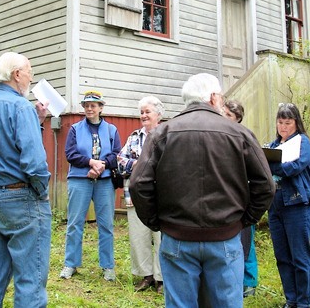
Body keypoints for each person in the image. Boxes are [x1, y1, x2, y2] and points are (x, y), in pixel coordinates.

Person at [130, 73, 275, 308]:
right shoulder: (239, 134)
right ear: (213, 97)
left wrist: (157, 221)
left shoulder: (162, 134)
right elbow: (266, 185)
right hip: (224, 237)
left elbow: (138, 184)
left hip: (178, 237)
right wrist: (244, 220)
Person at [0, 52, 52, 308]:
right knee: (30, 279)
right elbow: (34, 162)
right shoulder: (21, 106)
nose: (31, 76)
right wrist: (41, 191)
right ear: (17, 74)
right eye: (29, 70)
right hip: (21, 197)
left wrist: (37, 120)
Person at [60, 90, 121, 282]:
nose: (89, 109)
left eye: (93, 105)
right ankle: (71, 264)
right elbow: (71, 154)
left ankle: (108, 266)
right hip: (80, 180)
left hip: (103, 182)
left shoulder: (111, 130)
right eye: (86, 105)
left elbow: (117, 154)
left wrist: (101, 165)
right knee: (75, 223)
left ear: (101, 108)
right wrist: (90, 163)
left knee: (106, 225)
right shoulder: (75, 129)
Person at [266, 102, 310, 308]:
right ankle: (291, 299)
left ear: (296, 123)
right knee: (282, 255)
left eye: (288, 122)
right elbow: (261, 166)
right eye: (280, 122)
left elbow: (294, 167)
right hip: (275, 206)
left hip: (297, 204)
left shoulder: (304, 142)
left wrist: (273, 165)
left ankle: (304, 303)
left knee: (300, 256)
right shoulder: (273, 145)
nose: (283, 127)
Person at [118, 96, 164, 293]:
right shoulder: (134, 137)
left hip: (162, 195)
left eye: (148, 112)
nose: (144, 115)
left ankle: (162, 278)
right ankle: (146, 276)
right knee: (139, 235)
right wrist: (135, 164)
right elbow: (120, 161)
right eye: (141, 112)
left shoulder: (166, 135)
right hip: (136, 194)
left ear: (158, 115)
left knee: (162, 236)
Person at [222, 100, 258, 298]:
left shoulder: (244, 137)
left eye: (228, 115)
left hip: (244, 196)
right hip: (227, 198)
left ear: (237, 118)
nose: (224, 117)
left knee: (247, 240)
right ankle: (233, 279)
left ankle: (250, 281)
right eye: (223, 113)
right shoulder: (220, 135)